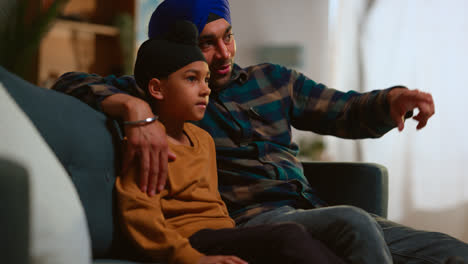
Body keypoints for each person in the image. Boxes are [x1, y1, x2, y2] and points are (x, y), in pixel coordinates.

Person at [52, 0, 468, 263]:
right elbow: (68, 84)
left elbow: (342, 109)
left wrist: (390, 99)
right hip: (252, 222)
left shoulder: (273, 80)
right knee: (353, 223)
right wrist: (135, 108)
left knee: (451, 252)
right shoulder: (172, 95)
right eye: (207, 43)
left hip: (314, 212)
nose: (223, 54)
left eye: (228, 37)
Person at [116, 19, 347, 264]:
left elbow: (215, 204)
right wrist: (191, 258)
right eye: (192, 79)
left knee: (311, 242)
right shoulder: (147, 145)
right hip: (189, 239)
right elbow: (141, 217)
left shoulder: (202, 139)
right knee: (288, 236)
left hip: (227, 234)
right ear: (157, 88)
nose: (205, 90)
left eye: (206, 80)